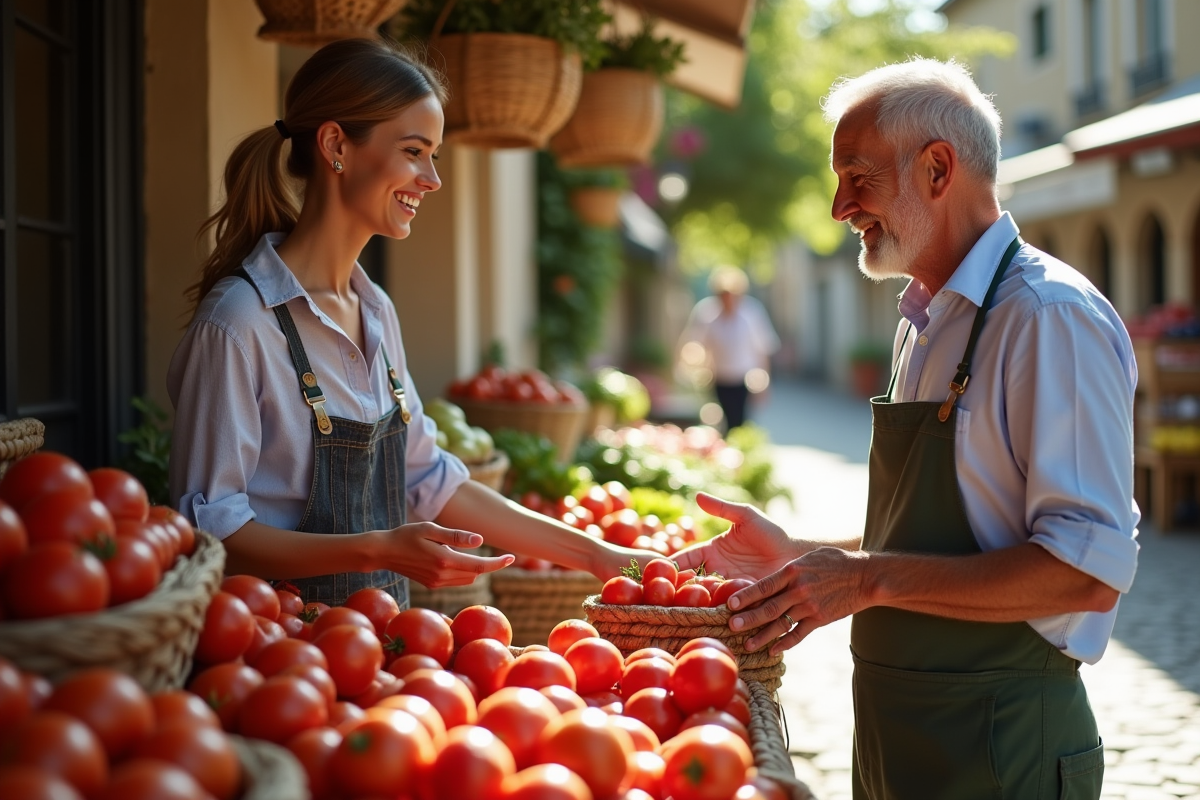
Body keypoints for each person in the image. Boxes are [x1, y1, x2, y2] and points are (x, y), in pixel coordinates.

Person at [676, 58, 1138, 800]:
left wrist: (863, 579)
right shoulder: (920, 321)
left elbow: (1086, 571)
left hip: (1000, 746)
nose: (838, 207)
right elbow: (956, 535)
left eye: (857, 176)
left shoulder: (1049, 319)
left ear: (936, 168)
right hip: (897, 735)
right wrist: (803, 557)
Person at [168, 39, 653, 609]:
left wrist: (601, 555)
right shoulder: (238, 325)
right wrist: (376, 552)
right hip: (276, 660)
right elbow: (212, 534)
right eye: (414, 151)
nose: (432, 179)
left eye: (434, 156)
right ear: (335, 146)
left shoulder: (375, 311)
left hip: (376, 650)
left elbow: (430, 480)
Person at [678, 266, 780, 430]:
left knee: (741, 422)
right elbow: (695, 344)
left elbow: (763, 349)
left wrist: (764, 383)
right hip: (718, 378)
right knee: (718, 422)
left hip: (744, 379)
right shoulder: (707, 313)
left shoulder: (752, 313)